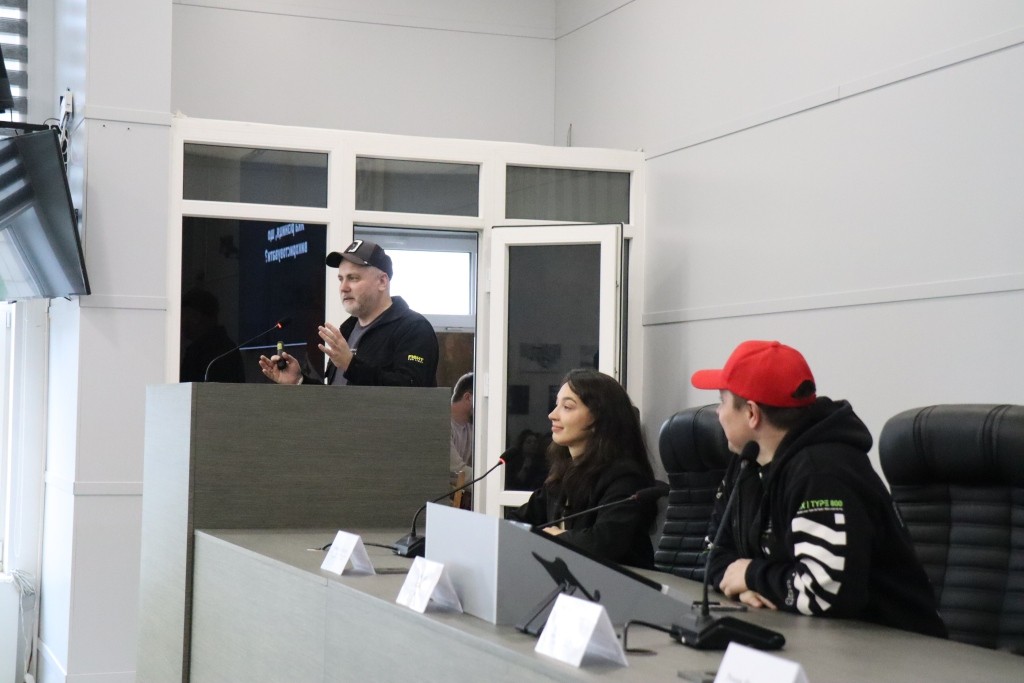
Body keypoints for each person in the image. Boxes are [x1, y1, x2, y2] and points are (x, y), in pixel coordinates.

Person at [691, 340, 946, 638]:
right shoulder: (748, 460)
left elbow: (825, 593)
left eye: (722, 402)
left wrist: (751, 576)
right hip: (815, 636)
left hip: (894, 646)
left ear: (751, 413)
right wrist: (742, 586)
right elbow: (712, 553)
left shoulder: (822, 473)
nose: (718, 413)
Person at [507, 369, 658, 568]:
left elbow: (604, 543)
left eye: (567, 407)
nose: (552, 415)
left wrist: (556, 537)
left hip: (618, 584)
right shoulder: (564, 474)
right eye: (556, 405)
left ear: (599, 419)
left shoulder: (625, 478)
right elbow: (516, 521)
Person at [258, 239, 439, 387]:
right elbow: (337, 401)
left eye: (353, 278)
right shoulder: (347, 329)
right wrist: (299, 381)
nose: (343, 288)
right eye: (341, 279)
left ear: (382, 282)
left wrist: (351, 365)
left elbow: (411, 391)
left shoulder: (413, 328)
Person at [180, 288, 245, 383]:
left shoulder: (203, 351)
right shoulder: (228, 346)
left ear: (195, 317)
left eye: (182, 315)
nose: (180, 321)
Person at [449, 372, 474, 509]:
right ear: (468, 397)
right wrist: (494, 481)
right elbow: (458, 471)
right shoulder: (441, 424)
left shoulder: (470, 428)